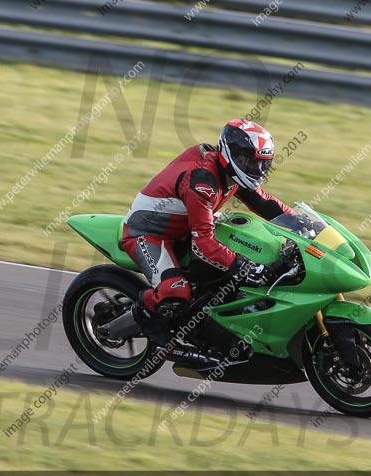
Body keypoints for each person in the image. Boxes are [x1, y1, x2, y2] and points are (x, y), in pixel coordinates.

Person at [121, 119, 296, 330]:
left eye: (262, 163)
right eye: (251, 161)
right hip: (149, 234)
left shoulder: (231, 172)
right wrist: (244, 267)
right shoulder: (202, 182)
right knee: (175, 293)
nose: (256, 169)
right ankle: (139, 313)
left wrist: (301, 222)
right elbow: (203, 244)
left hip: (185, 230)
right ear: (234, 156)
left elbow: (266, 204)